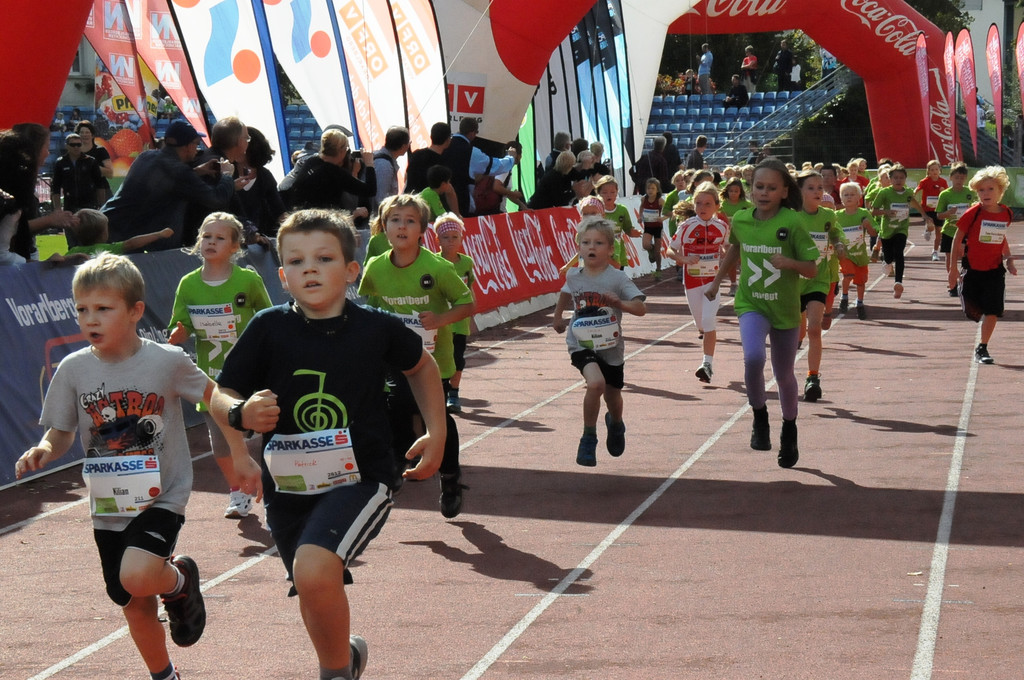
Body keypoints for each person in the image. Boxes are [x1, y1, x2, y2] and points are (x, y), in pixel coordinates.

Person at [211, 209, 445, 680]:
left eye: (323, 258)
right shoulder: (267, 327)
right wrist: (239, 417)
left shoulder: (376, 327)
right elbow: (222, 391)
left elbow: (421, 366)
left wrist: (437, 432)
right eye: (296, 261)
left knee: (315, 568)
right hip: (289, 485)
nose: (309, 269)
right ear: (282, 276)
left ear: (351, 270)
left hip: (363, 477)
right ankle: (342, 664)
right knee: (311, 578)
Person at [15, 252, 262, 680]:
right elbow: (62, 431)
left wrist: (239, 448)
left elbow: (212, 395)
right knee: (133, 602)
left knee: (138, 574)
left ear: (135, 312)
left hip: (163, 495)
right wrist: (44, 448)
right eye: (82, 309)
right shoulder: (73, 370)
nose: (90, 318)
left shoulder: (165, 360)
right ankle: (165, 675)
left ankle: (180, 580)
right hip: (110, 505)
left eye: (103, 309)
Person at [358, 194, 475, 517]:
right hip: (396, 355)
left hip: (435, 357)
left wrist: (439, 320)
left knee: (434, 417)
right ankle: (398, 459)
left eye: (410, 221)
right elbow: (371, 306)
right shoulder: (375, 267)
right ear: (383, 228)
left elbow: (467, 305)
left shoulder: (438, 268)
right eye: (395, 220)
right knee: (395, 403)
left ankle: (450, 476)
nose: (402, 226)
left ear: (422, 230)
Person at [705, 159, 819, 468]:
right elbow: (734, 249)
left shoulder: (793, 222)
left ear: (784, 192)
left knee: (783, 375)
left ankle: (790, 429)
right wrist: (716, 282)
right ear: (750, 189)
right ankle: (759, 416)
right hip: (751, 304)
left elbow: (811, 267)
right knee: (753, 358)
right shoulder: (741, 219)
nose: (764, 193)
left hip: (784, 309)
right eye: (758, 187)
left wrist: (790, 264)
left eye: (771, 188)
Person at [167, 212, 272, 519]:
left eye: (219, 238)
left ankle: (275, 487)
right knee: (222, 446)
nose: (211, 242)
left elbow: (267, 318)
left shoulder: (248, 280)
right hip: (211, 378)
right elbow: (180, 322)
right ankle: (238, 491)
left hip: (249, 373)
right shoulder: (188, 285)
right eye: (206, 236)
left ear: (235, 246)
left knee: (261, 432)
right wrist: (179, 332)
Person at [552, 216, 647, 466]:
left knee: (613, 396)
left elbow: (640, 308)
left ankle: (616, 424)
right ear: (579, 247)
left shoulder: (617, 278)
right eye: (586, 242)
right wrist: (558, 316)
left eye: (598, 243)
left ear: (610, 248)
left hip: (610, 346)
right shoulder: (574, 275)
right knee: (595, 384)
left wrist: (618, 303)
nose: (591, 247)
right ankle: (588, 438)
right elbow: (565, 293)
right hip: (580, 342)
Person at [102, 121, 234, 250]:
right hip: (128, 242)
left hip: (105, 226)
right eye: (196, 144)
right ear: (187, 146)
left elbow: (164, 181)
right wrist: (227, 175)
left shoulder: (146, 156)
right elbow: (216, 199)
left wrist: (198, 171)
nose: (197, 148)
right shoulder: (179, 172)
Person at [947, 166, 1017, 365]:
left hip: (994, 270)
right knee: (974, 310)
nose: (985, 194)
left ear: (1000, 191)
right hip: (973, 269)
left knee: (992, 310)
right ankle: (968, 295)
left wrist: (1009, 258)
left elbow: (1000, 238)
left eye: (990, 189)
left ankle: (983, 346)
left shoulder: (1006, 213)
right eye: (981, 190)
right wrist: (953, 268)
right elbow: (957, 237)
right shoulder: (973, 213)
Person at [667, 181, 729, 383]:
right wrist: (683, 259)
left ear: (717, 206)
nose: (702, 208)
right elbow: (670, 250)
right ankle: (703, 333)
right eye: (699, 204)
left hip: (712, 282)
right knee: (701, 323)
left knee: (710, 321)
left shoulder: (722, 227)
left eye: (708, 204)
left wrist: (726, 254)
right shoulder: (686, 226)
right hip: (692, 281)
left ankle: (707, 364)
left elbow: (728, 248)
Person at [795, 170, 845, 403]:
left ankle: (812, 377)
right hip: (793, 280)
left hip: (819, 278)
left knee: (814, 328)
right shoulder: (791, 216)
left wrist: (839, 244)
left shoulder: (827, 215)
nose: (817, 191)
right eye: (811, 187)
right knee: (791, 329)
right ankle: (785, 371)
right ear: (800, 192)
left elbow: (836, 233)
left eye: (820, 188)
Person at [0, 123, 76, 261]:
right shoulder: (11, 194)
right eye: (45, 148)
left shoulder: (17, 185)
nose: (48, 153)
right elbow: (5, 249)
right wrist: (49, 221)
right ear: (32, 151)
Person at [870, 163, 933, 299]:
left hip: (901, 228)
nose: (898, 180)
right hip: (887, 230)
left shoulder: (908, 193)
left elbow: (915, 203)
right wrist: (886, 211)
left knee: (899, 253)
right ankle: (886, 261)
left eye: (901, 178)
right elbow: (873, 210)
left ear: (905, 179)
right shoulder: (884, 193)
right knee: (889, 257)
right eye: (895, 178)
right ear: (890, 179)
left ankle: (898, 282)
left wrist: (924, 215)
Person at [434, 213, 475, 413]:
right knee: (439, 357)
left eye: (455, 237)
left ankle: (454, 393)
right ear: (437, 240)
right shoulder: (433, 262)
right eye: (445, 237)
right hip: (439, 321)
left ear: (461, 239)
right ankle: (437, 392)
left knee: (458, 358)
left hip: (459, 321)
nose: (450, 242)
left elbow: (470, 291)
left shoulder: (466, 263)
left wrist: (472, 316)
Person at [440, 117, 517, 217]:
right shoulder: (471, 152)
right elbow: (495, 166)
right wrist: (511, 158)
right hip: (462, 202)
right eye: (476, 132)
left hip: (440, 201)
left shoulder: (444, 145)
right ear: (472, 132)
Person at [288, 128, 377, 212]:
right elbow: (369, 190)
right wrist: (369, 165)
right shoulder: (334, 173)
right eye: (346, 149)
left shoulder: (311, 161)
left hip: (300, 215)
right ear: (341, 151)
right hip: (321, 222)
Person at [235, 126, 287, 242]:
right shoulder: (226, 172)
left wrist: (292, 226)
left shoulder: (265, 176)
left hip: (257, 238)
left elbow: (278, 210)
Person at [835, 182, 876, 320]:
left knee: (861, 281)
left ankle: (860, 303)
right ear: (841, 198)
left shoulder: (864, 213)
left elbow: (874, 233)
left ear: (859, 197)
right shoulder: (837, 216)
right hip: (845, 254)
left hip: (860, 255)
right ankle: (844, 296)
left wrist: (868, 225)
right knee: (848, 274)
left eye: (852, 194)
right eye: (845, 195)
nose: (849, 197)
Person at [934, 162, 974, 293]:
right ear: (951, 178)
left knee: (964, 256)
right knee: (950, 257)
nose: (959, 180)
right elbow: (939, 215)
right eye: (957, 177)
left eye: (962, 178)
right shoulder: (945, 195)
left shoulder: (969, 192)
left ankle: (965, 281)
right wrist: (949, 213)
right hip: (949, 231)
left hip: (965, 231)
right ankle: (953, 284)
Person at [404, 122, 460, 215]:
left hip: (410, 204)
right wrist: (457, 214)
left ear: (431, 136)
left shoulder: (416, 154)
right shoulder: (442, 164)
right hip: (431, 211)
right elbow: (449, 190)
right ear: (447, 140)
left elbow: (406, 177)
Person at [66, 208, 172, 256]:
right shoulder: (106, 250)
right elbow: (131, 243)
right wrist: (159, 234)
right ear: (103, 234)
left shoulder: (74, 251)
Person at [51, 132, 105, 213]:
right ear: (67, 146)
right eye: (73, 145)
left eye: (78, 145)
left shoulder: (91, 161)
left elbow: (100, 185)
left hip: (89, 205)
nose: (76, 147)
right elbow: (56, 188)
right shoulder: (61, 162)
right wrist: (58, 209)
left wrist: (102, 206)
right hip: (70, 206)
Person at [595, 174, 638, 270]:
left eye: (612, 192)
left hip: (618, 251)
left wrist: (633, 232)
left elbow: (628, 229)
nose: (609, 195)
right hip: (601, 251)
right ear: (598, 193)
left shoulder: (622, 210)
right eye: (605, 192)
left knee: (618, 278)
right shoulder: (596, 211)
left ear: (617, 192)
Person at [914, 159, 948, 261]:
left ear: (940, 170)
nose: (934, 171)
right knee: (931, 226)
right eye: (932, 169)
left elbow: (947, 192)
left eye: (936, 169)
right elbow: (918, 188)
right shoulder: (924, 181)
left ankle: (935, 252)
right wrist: (914, 193)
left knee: (939, 231)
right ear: (928, 171)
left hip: (939, 209)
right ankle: (927, 229)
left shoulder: (943, 182)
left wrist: (944, 191)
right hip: (927, 209)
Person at [76, 121, 114, 203]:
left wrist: (92, 167)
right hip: (81, 192)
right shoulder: (74, 153)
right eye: (81, 132)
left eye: (87, 132)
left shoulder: (100, 150)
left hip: (102, 191)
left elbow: (110, 173)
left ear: (92, 135)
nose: (84, 135)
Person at [373, 125, 411, 207]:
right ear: (404, 146)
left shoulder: (383, 160)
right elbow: (380, 198)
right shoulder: (384, 165)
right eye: (408, 142)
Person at [639, 177, 666, 280]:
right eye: (648, 188)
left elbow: (667, 211)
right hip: (648, 226)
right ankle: (651, 249)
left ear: (657, 190)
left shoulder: (660, 200)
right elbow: (641, 207)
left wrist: (663, 217)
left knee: (657, 252)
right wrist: (640, 216)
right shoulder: (644, 199)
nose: (650, 190)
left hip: (658, 227)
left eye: (653, 188)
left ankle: (658, 269)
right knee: (645, 245)